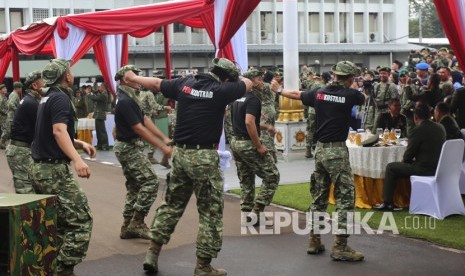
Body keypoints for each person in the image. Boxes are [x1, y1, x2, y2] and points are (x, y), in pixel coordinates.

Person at [123, 57, 252, 275]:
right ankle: (203, 266)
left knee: (171, 206)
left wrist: (133, 77)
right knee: (210, 213)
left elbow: (156, 84)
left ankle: (152, 254)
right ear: (227, 78)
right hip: (203, 157)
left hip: (180, 155)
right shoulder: (222, 90)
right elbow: (247, 84)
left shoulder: (185, 84)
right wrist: (237, 79)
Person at [272, 61, 365, 262]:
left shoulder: (319, 92)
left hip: (320, 150)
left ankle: (314, 240)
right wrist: (353, 83)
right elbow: (362, 97)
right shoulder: (350, 94)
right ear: (349, 78)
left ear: (334, 75)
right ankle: (340, 246)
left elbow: (297, 95)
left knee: (319, 197)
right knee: (346, 198)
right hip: (337, 151)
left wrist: (279, 90)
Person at [31, 59, 96, 275]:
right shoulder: (60, 98)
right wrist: (77, 159)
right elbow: (59, 131)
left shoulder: (47, 97)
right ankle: (62, 269)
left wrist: (79, 143)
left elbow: (54, 132)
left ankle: (54, 267)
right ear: (66, 75)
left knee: (59, 224)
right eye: (70, 70)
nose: (72, 73)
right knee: (81, 222)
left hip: (42, 168)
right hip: (53, 170)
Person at [113, 65, 173, 240]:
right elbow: (138, 128)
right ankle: (137, 223)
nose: (138, 79)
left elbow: (145, 119)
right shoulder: (125, 100)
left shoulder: (131, 97)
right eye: (134, 75)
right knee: (151, 181)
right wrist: (162, 147)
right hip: (128, 147)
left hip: (129, 146)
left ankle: (127, 226)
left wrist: (165, 139)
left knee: (134, 186)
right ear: (125, 79)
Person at [230, 69, 280, 225]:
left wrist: (265, 128)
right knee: (272, 176)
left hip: (236, 142)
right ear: (250, 81)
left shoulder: (237, 98)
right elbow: (249, 122)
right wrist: (258, 146)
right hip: (248, 143)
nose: (261, 82)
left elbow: (246, 120)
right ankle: (256, 211)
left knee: (246, 179)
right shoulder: (253, 99)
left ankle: (247, 216)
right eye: (258, 79)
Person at [374, 103, 446, 211]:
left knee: (391, 167)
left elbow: (408, 157)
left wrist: (404, 161)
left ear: (415, 117)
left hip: (424, 169)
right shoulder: (440, 127)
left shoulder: (418, 130)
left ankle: (388, 203)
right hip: (439, 168)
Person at [6, 71, 44, 194]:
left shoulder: (29, 100)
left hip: (22, 150)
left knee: (33, 189)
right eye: (42, 81)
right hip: (20, 152)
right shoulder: (31, 103)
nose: (46, 84)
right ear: (34, 85)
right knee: (26, 194)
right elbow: (45, 129)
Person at [88, 82, 110, 150]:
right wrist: (94, 89)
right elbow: (96, 93)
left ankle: (105, 145)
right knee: (98, 131)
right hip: (98, 115)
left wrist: (88, 94)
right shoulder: (102, 94)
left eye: (100, 86)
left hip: (100, 115)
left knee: (102, 131)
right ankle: (100, 145)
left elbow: (95, 98)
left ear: (103, 87)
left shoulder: (104, 95)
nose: (99, 88)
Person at [0, 81, 23, 146]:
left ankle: (5, 142)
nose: (21, 89)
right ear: (17, 88)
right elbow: (10, 104)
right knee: (7, 130)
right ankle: (2, 142)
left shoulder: (12, 94)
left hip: (10, 115)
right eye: (20, 88)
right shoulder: (14, 95)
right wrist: (17, 110)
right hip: (9, 115)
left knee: (9, 129)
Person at [0, 84, 8, 149]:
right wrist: (6, 112)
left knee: (5, 129)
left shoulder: (4, 97)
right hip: (2, 116)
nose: (6, 89)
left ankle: (2, 142)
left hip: (4, 116)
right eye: (4, 89)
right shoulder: (1, 97)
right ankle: (2, 143)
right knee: (6, 129)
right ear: (1, 90)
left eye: (6, 88)